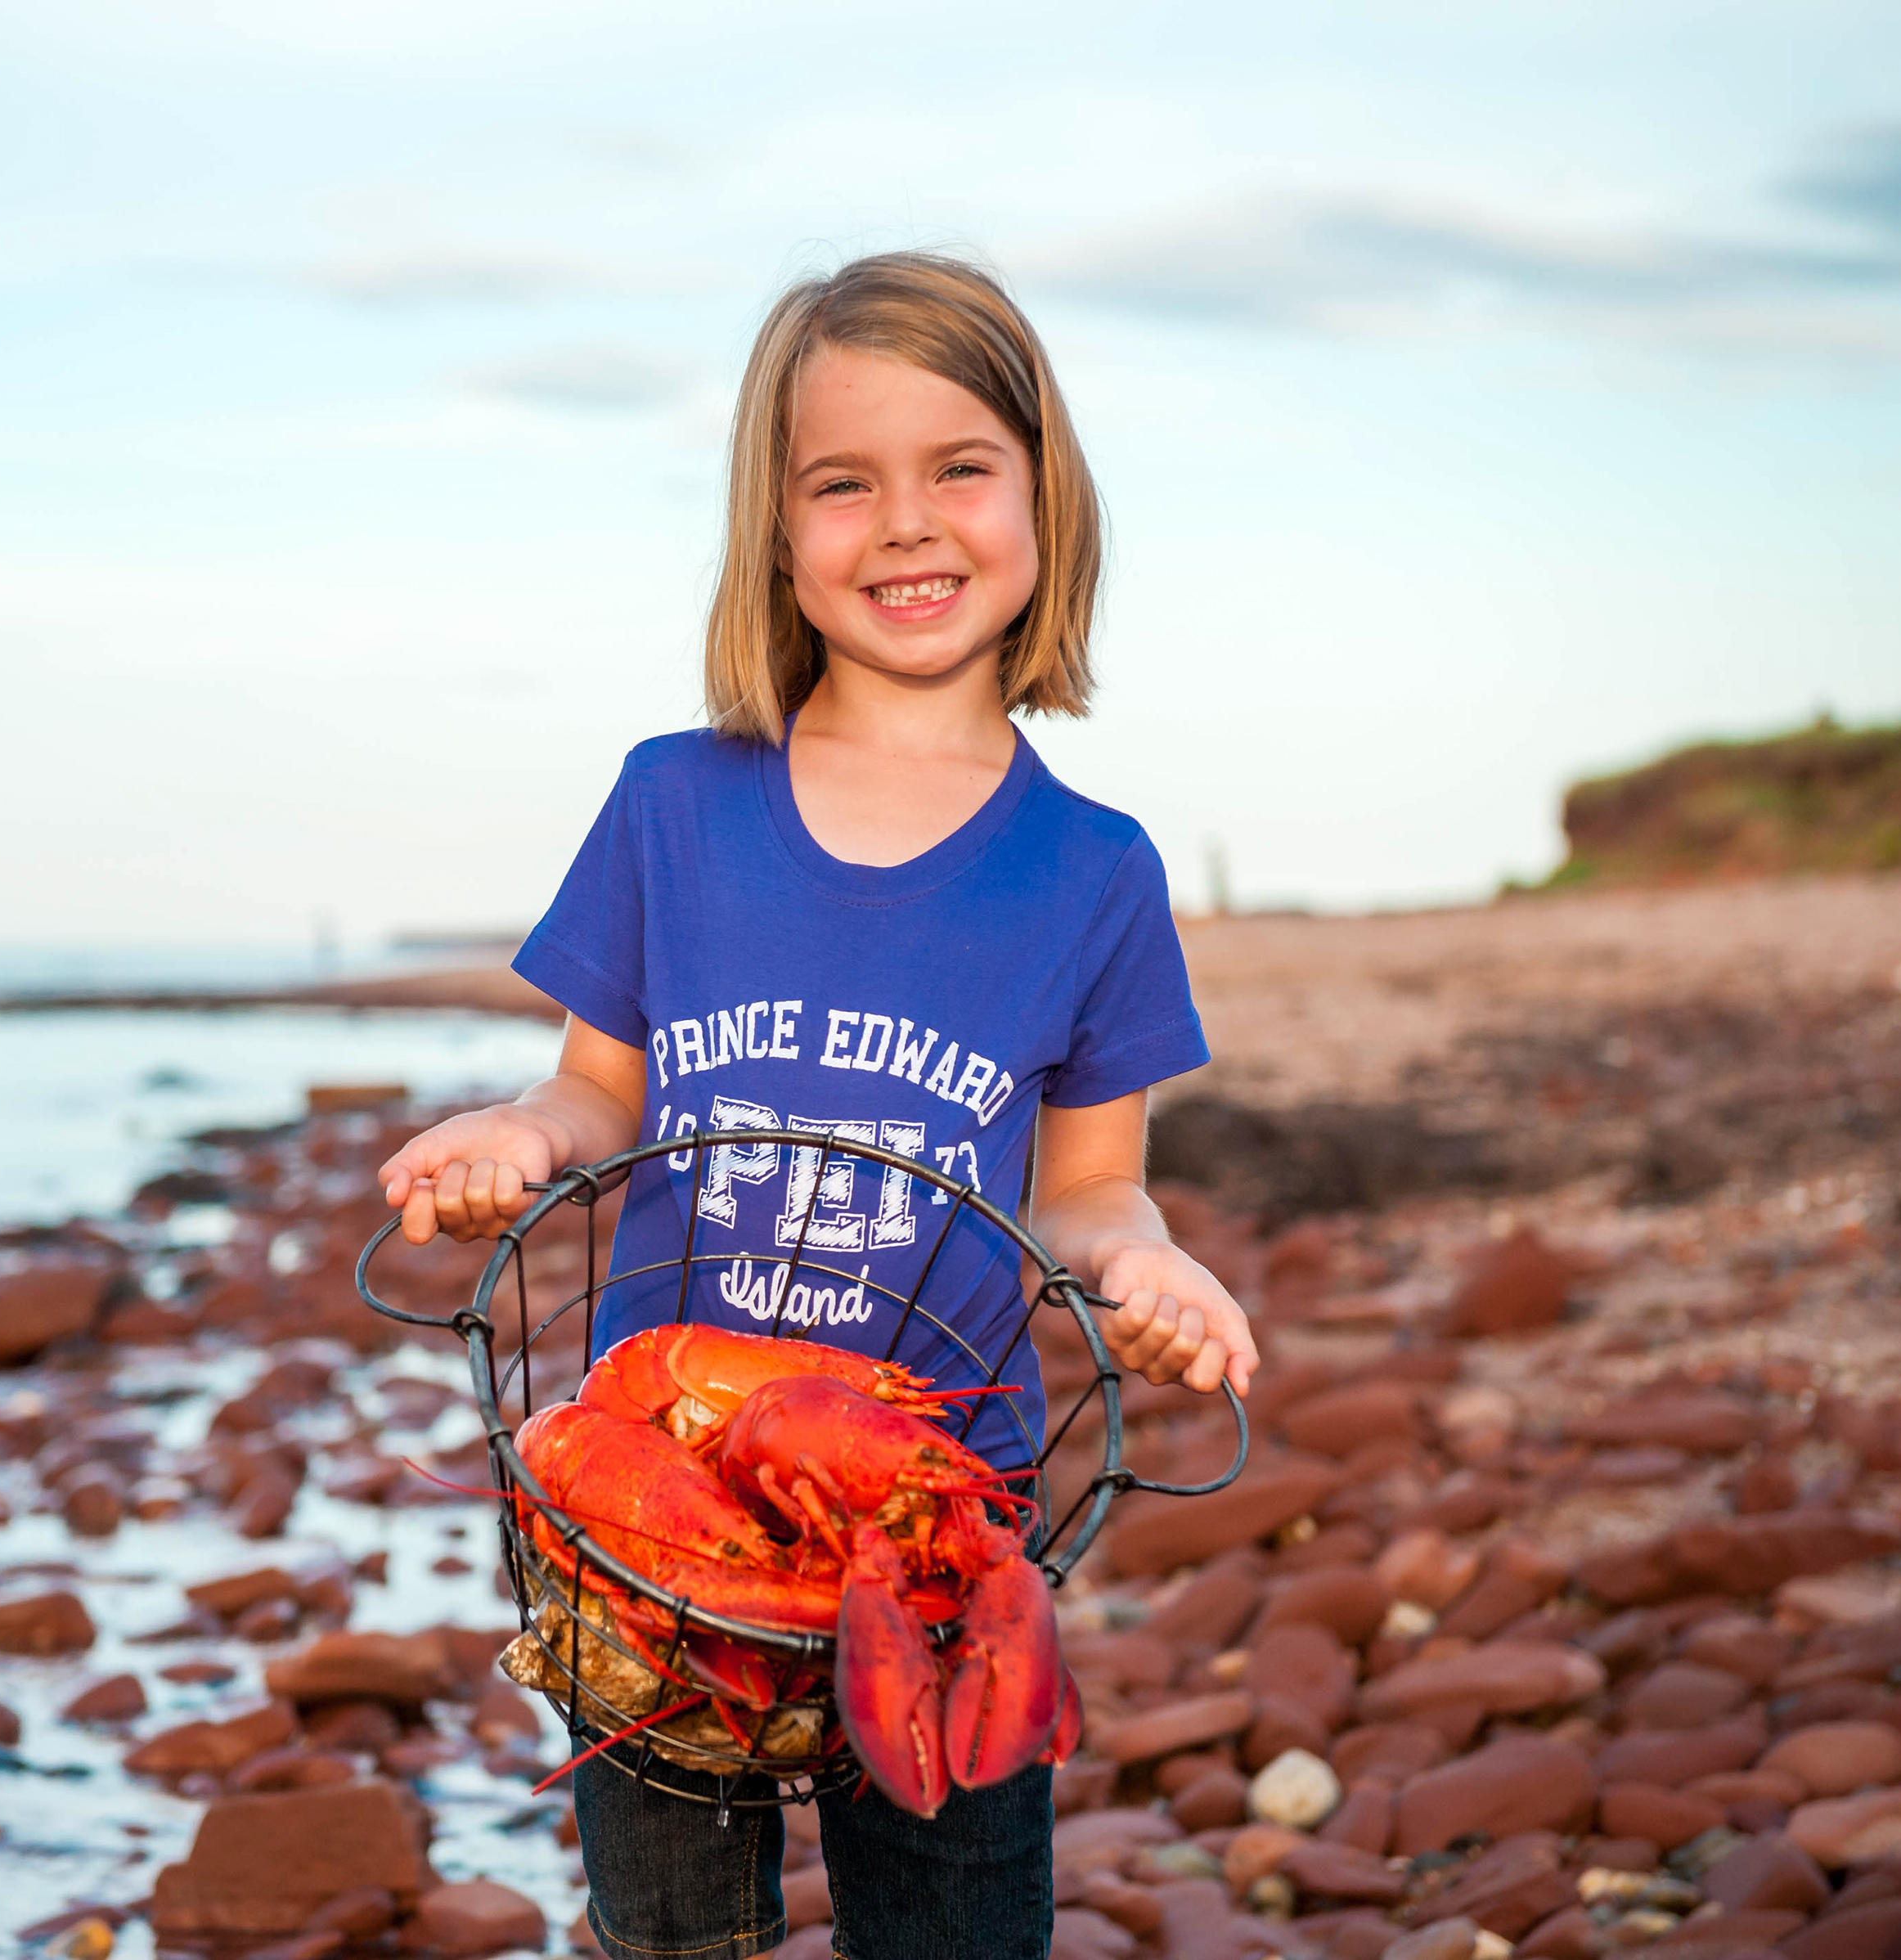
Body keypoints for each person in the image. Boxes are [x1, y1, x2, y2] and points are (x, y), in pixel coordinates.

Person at [376, 250, 1261, 1960]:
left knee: (956, 1931)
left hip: (949, 1520)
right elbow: (587, 1086)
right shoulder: (673, 802)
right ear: (777, 537)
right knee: (673, 1938)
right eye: (843, 484)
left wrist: (1145, 1272)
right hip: (649, 1507)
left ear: (1042, 500)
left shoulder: (1095, 869)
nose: (907, 525)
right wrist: (515, 1140)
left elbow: (1092, 1191)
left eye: (960, 470)